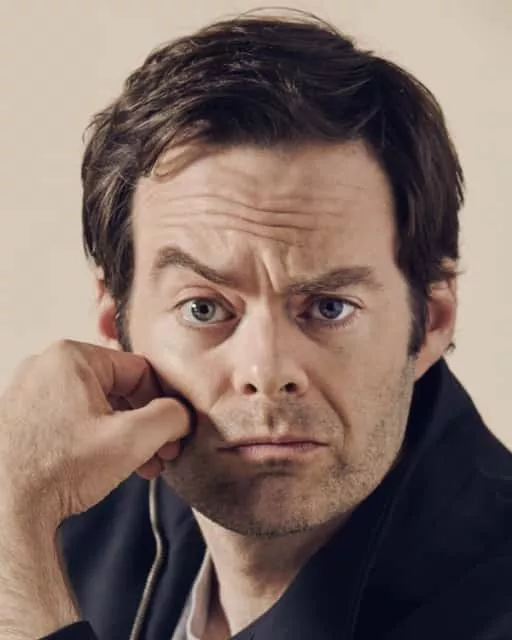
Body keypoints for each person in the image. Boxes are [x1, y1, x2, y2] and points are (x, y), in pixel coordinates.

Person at [0, 9, 510, 640]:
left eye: (329, 307)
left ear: (431, 320)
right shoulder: (67, 506)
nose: (265, 372)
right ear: (117, 319)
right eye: (204, 309)